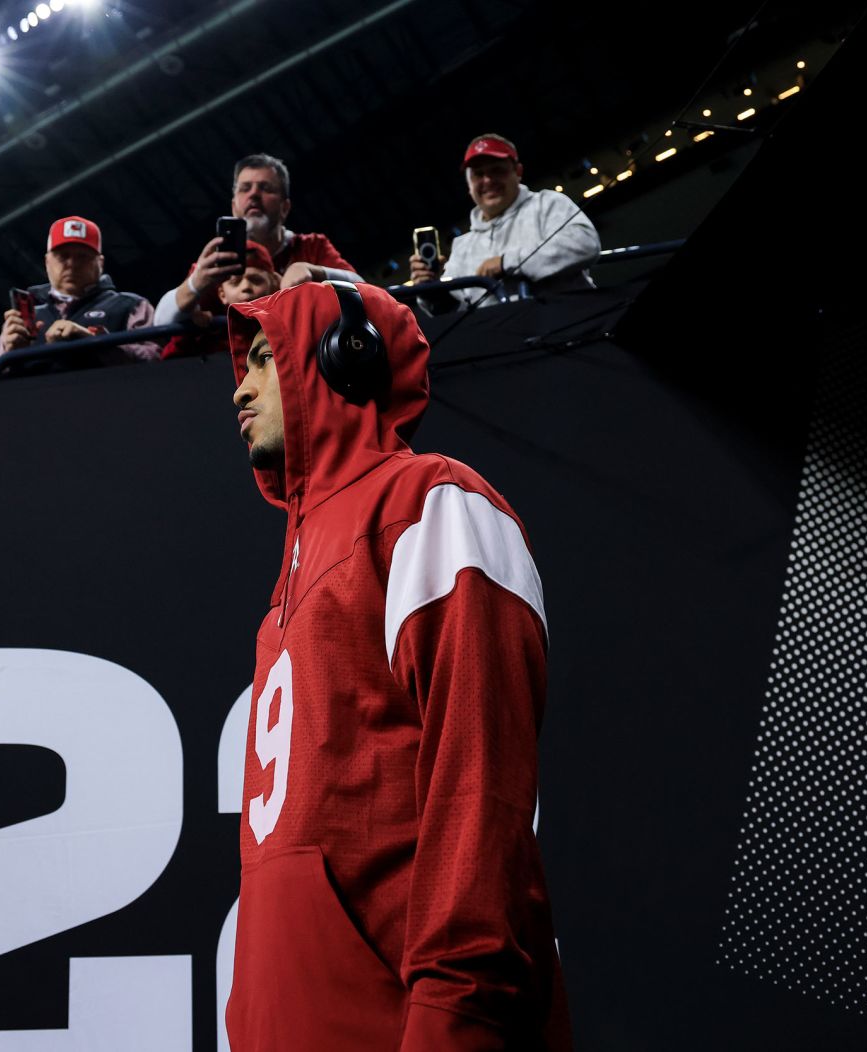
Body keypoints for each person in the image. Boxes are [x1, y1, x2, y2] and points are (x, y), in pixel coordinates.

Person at [224, 280, 571, 1049]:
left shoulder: (432, 503)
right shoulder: (283, 590)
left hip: (412, 1024)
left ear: (342, 357)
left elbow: (480, 789)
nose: (240, 390)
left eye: (260, 360)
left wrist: (460, 1013)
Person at [153, 153, 362, 327]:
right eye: (245, 189)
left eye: (266, 188)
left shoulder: (310, 246)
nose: (253, 195)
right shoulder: (220, 258)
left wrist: (314, 271)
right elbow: (160, 323)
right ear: (234, 207)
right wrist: (194, 283)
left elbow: (364, 289)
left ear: (285, 207)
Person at [411, 134, 600, 311]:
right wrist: (432, 292)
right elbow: (459, 311)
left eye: (497, 170)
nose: (488, 180)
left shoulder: (547, 204)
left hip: (572, 322)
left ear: (518, 172)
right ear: (469, 184)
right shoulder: (462, 246)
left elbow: (585, 244)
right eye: (478, 174)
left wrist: (505, 262)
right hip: (503, 340)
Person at [0, 216, 158, 382]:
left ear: (100, 263)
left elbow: (159, 362)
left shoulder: (132, 305)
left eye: (82, 256)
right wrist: (8, 354)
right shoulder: (23, 318)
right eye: (62, 256)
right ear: (47, 262)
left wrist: (96, 344)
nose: (72, 264)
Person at [160, 240, 279, 360]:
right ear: (222, 294)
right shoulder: (209, 338)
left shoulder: (286, 329)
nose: (246, 287)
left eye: (256, 280)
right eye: (235, 282)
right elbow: (169, 364)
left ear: (273, 285)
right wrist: (188, 334)